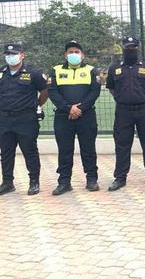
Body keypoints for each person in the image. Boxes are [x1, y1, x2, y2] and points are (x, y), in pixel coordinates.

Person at [105, 37, 145, 191]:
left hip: (144, 110)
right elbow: (111, 87)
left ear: (138, 48)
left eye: (133, 48)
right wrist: (120, 98)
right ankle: (120, 177)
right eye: (128, 48)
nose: (130, 50)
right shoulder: (114, 67)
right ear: (123, 49)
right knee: (122, 145)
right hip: (123, 111)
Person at [47, 40, 101, 195]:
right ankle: (64, 182)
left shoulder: (91, 71)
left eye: (77, 52)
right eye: (70, 52)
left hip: (86, 116)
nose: (73, 54)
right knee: (64, 150)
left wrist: (79, 108)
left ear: (82, 55)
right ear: (65, 55)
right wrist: (69, 108)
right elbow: (53, 92)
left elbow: (94, 92)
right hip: (63, 116)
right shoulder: (56, 70)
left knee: (88, 149)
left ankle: (91, 179)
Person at [0, 43, 48, 196]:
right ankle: (7, 182)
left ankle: (34, 181)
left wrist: (37, 104)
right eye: (8, 54)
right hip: (4, 119)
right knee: (6, 152)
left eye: (14, 54)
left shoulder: (33, 72)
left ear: (22, 55)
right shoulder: (1, 72)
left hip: (26, 118)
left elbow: (45, 90)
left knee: (29, 151)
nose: (11, 57)